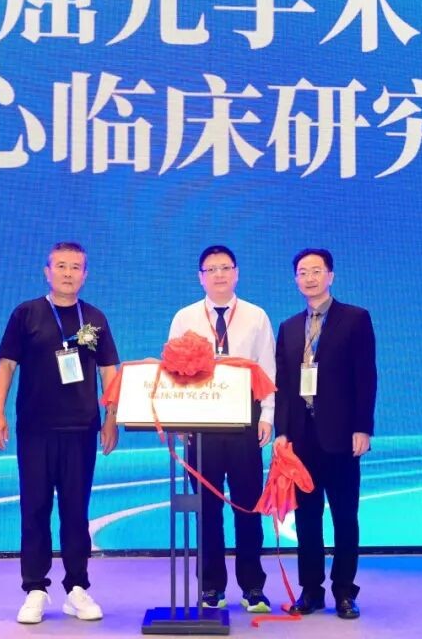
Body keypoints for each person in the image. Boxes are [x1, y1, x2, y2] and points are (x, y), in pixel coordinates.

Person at [0, 241, 120, 625]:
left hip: (81, 429)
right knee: (35, 509)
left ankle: (77, 588)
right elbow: (6, 366)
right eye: (61, 266)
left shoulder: (94, 318)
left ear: (85, 274)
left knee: (76, 512)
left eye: (75, 267)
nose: (68, 273)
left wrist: (111, 417)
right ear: (47, 272)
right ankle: (35, 589)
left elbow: (109, 372)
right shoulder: (26, 313)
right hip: (35, 431)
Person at [167, 245, 277, 613]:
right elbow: (172, 372)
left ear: (237, 273)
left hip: (245, 423)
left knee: (248, 506)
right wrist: (178, 419)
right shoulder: (184, 317)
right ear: (200, 277)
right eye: (211, 269)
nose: (219, 275)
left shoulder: (256, 316)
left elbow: (268, 369)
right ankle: (211, 587)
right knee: (207, 509)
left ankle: (253, 587)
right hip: (200, 426)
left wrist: (267, 416)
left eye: (225, 268)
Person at [273, 248, 377, 620]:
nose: (310, 278)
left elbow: (366, 376)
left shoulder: (355, 318)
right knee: (307, 519)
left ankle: (345, 591)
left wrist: (363, 427)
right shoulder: (288, 327)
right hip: (302, 439)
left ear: (330, 276)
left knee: (345, 516)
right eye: (302, 272)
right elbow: (284, 386)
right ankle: (311, 591)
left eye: (316, 271)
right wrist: (282, 432)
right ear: (295, 280)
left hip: (343, 436)